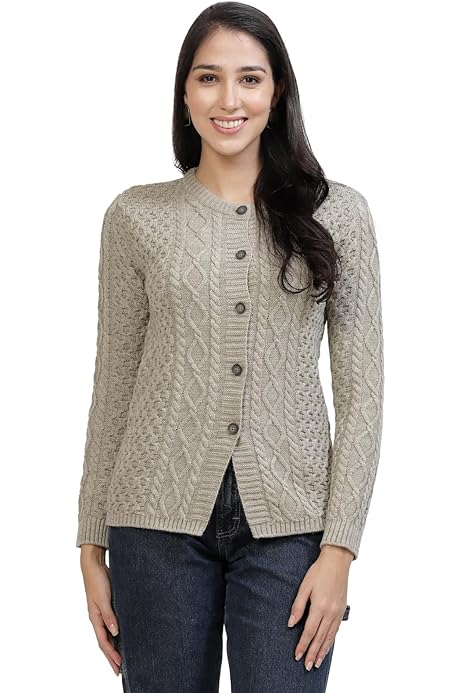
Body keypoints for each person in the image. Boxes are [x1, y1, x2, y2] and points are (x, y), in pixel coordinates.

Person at [76, 2, 384, 691]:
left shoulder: (338, 214)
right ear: (184, 94)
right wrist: (90, 542)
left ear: (277, 92)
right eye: (208, 78)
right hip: (151, 522)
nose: (229, 100)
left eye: (250, 78)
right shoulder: (135, 216)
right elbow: (113, 383)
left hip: (293, 526)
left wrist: (340, 548)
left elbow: (364, 394)